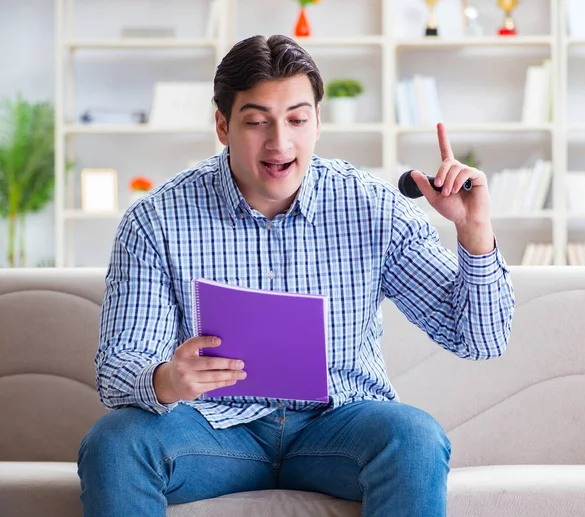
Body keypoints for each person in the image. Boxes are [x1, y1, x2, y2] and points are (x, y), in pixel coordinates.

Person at [77, 34, 514, 517]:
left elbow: (481, 340)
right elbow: (118, 367)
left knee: (414, 436)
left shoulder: (371, 207)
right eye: (257, 121)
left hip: (339, 426)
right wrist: (167, 379)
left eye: (297, 120)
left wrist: (474, 231)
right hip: (211, 430)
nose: (279, 142)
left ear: (318, 122)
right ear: (222, 125)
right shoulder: (156, 220)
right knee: (115, 442)